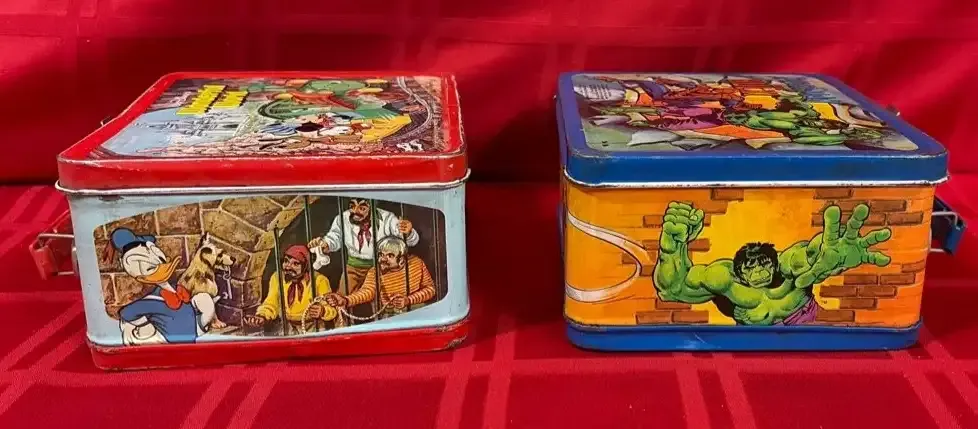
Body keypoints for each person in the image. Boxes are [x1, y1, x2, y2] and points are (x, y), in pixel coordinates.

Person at [308, 198, 418, 294]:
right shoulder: (342, 218)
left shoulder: (388, 218)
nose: (355, 211)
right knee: (342, 299)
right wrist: (325, 244)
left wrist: (408, 232)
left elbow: (411, 241)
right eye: (352, 206)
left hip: (381, 269)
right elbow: (334, 237)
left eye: (362, 208)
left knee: (381, 301)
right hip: (353, 268)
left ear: (371, 207)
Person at [325, 236, 435, 318]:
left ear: (402, 259)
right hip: (389, 315)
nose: (383, 259)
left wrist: (408, 300)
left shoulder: (417, 263)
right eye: (381, 254)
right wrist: (346, 300)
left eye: (390, 256)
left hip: (418, 313)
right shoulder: (375, 272)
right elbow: (367, 292)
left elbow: (430, 289)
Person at [244, 245, 334, 333]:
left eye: (296, 263)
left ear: (306, 266)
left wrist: (323, 311)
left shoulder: (319, 280)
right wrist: (262, 316)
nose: (288, 267)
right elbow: (271, 303)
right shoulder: (277, 277)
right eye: (286, 261)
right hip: (286, 326)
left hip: (313, 326)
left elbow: (332, 309)